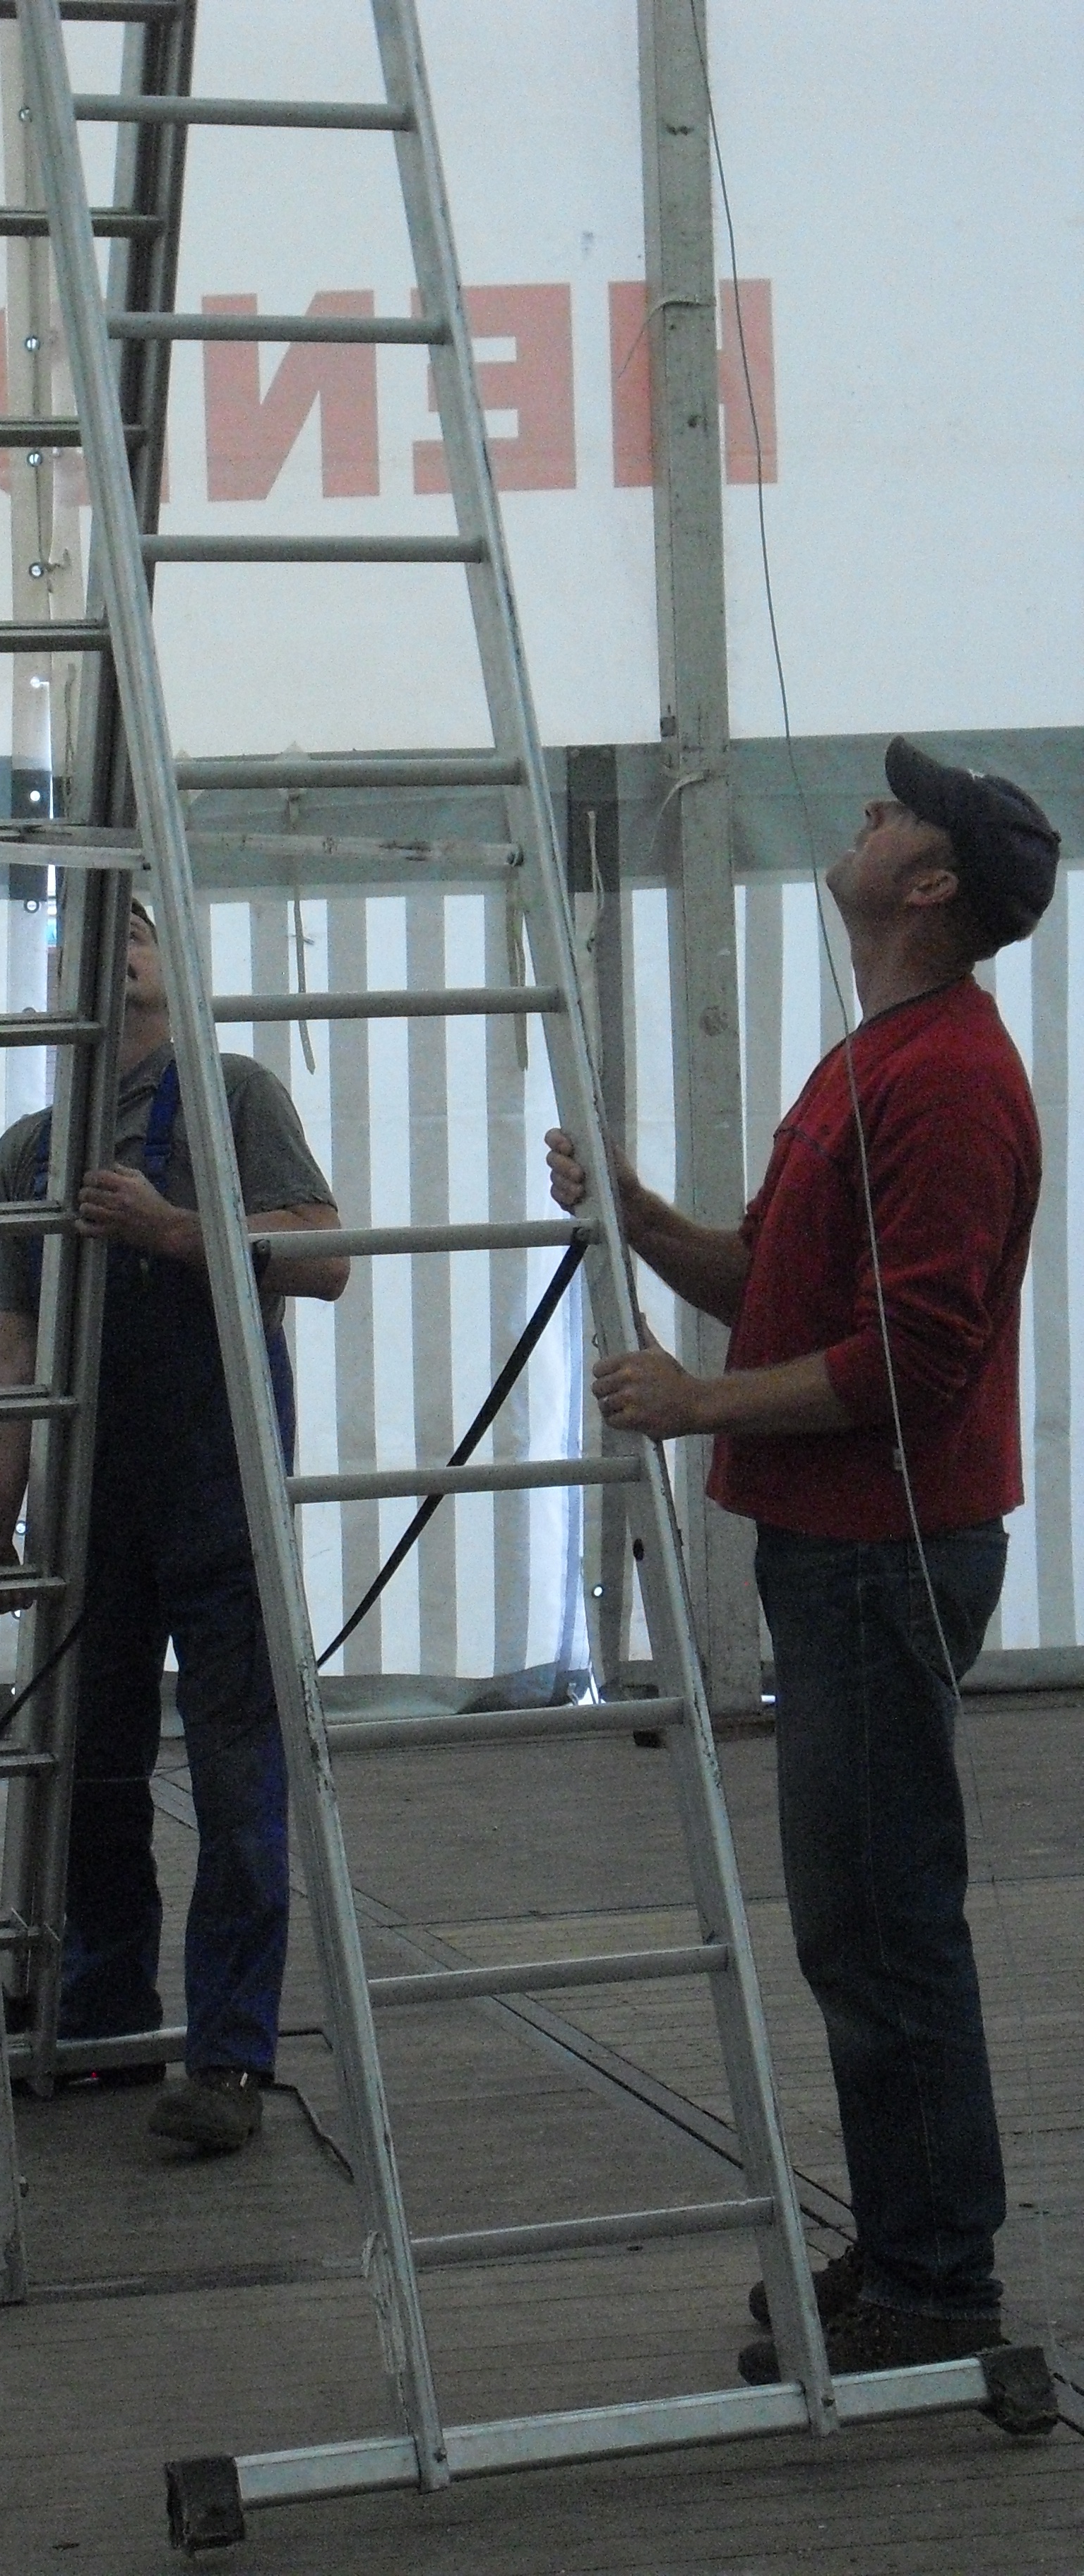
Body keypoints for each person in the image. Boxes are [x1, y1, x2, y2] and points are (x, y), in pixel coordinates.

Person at [546, 737, 1059, 2379]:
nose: (867, 814)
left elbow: (914, 1358)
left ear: (932, 885)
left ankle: (937, 2279)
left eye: (898, 813)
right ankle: (911, 2243)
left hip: (881, 1556)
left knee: (885, 1923)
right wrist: (638, 1216)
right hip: (842, 1554)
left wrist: (701, 1402)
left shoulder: (948, 1081)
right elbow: (775, 1277)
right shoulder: (879, 1058)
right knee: (862, 1921)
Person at [0, 900, 348, 2154]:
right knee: (91, 1772)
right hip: (90, 1507)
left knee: (239, 1779)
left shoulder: (234, 1096)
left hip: (221, 1491)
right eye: (86, 933)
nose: (107, 945)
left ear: (175, 963)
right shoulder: (27, 1151)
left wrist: (173, 1231)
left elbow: (325, 1257)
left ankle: (229, 2057)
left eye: (132, 928)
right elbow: (15, 1348)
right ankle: (104, 2025)